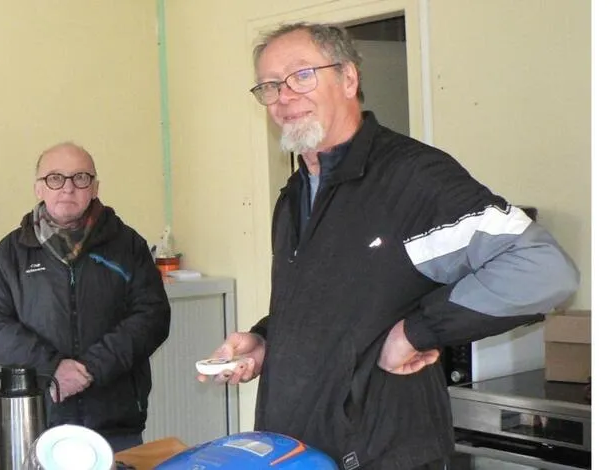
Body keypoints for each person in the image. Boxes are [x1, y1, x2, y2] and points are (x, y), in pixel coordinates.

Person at [199, 23, 579, 469]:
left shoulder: (413, 177)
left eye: (301, 76)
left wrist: (417, 332)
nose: (283, 96)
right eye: (269, 85)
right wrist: (266, 341)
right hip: (299, 450)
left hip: (385, 453)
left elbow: (544, 269)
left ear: (348, 78)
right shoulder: (295, 195)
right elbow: (330, 303)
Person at [0, 142, 172, 452]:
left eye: (80, 178)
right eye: (55, 178)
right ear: (39, 188)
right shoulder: (10, 253)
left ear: (94, 188)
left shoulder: (128, 245)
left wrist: (91, 368)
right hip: (38, 421)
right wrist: (53, 369)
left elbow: (153, 316)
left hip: (116, 424)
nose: (68, 188)